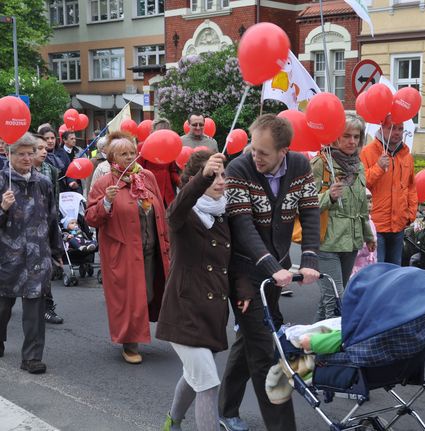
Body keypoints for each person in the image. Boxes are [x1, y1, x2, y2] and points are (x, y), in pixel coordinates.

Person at [219, 114, 320, 431]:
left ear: (284, 151)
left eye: (263, 152)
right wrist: (272, 267)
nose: (254, 155)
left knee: (251, 339)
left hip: (275, 272)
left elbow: (310, 212)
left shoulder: (301, 166)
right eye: (252, 147)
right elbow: (243, 225)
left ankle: (225, 409)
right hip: (244, 274)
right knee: (265, 352)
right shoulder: (239, 169)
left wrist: (310, 259)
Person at [157, 151, 251, 431]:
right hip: (183, 311)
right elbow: (176, 210)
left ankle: (172, 422)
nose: (221, 181)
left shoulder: (223, 214)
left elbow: (234, 261)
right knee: (208, 383)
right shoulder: (183, 215)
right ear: (195, 180)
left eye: (223, 175)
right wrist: (202, 177)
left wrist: (243, 289)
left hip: (211, 313)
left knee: (194, 375)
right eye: (214, 176)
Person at [86, 131, 170, 364]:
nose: (130, 157)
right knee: (130, 299)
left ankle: (158, 331)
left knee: (150, 293)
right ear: (112, 158)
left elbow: (159, 209)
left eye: (132, 153)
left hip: (150, 248)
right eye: (124, 154)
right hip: (122, 253)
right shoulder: (105, 182)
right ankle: (129, 344)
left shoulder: (147, 177)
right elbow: (91, 218)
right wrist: (107, 202)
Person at [0, 133, 63, 374]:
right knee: (3, 307)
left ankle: (32, 358)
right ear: (10, 154)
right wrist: (3, 208)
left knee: (35, 310)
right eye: (22, 153)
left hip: (38, 256)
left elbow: (52, 217)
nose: (27, 158)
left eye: (31, 152)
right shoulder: (1, 181)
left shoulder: (43, 183)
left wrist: (56, 249)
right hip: (7, 257)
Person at [311, 114, 375, 321]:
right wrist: (328, 196)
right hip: (327, 242)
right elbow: (302, 204)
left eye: (356, 137)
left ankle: (313, 344)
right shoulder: (321, 163)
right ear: (335, 137)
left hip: (351, 242)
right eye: (346, 136)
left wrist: (368, 235)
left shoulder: (359, 166)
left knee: (329, 299)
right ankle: (331, 349)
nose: (352, 141)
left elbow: (362, 205)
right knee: (336, 299)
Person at [360, 114, 417, 264]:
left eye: (400, 129)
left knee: (394, 273)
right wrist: (378, 167)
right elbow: (360, 184)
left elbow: (411, 187)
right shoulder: (367, 152)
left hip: (398, 225)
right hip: (375, 225)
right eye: (392, 128)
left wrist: (410, 214)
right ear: (382, 128)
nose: (397, 132)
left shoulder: (407, 156)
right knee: (376, 271)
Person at [32, 134, 65, 325]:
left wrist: (55, 236)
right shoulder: (11, 173)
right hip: (18, 233)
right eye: (39, 148)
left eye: (45, 147)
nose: (44, 151)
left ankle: (47, 307)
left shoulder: (51, 171)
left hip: (43, 229)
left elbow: (55, 201)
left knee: (44, 270)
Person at [140, 118, 180, 208]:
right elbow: (138, 170)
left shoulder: (170, 148)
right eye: (159, 130)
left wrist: (181, 182)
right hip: (149, 190)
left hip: (167, 192)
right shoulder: (143, 146)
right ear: (152, 131)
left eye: (165, 130)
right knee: (150, 217)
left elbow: (172, 171)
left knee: (167, 218)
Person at [351, 188, 377, 276]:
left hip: (369, 268)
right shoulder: (354, 223)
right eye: (366, 202)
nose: (369, 205)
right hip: (356, 269)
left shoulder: (371, 222)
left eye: (371, 202)